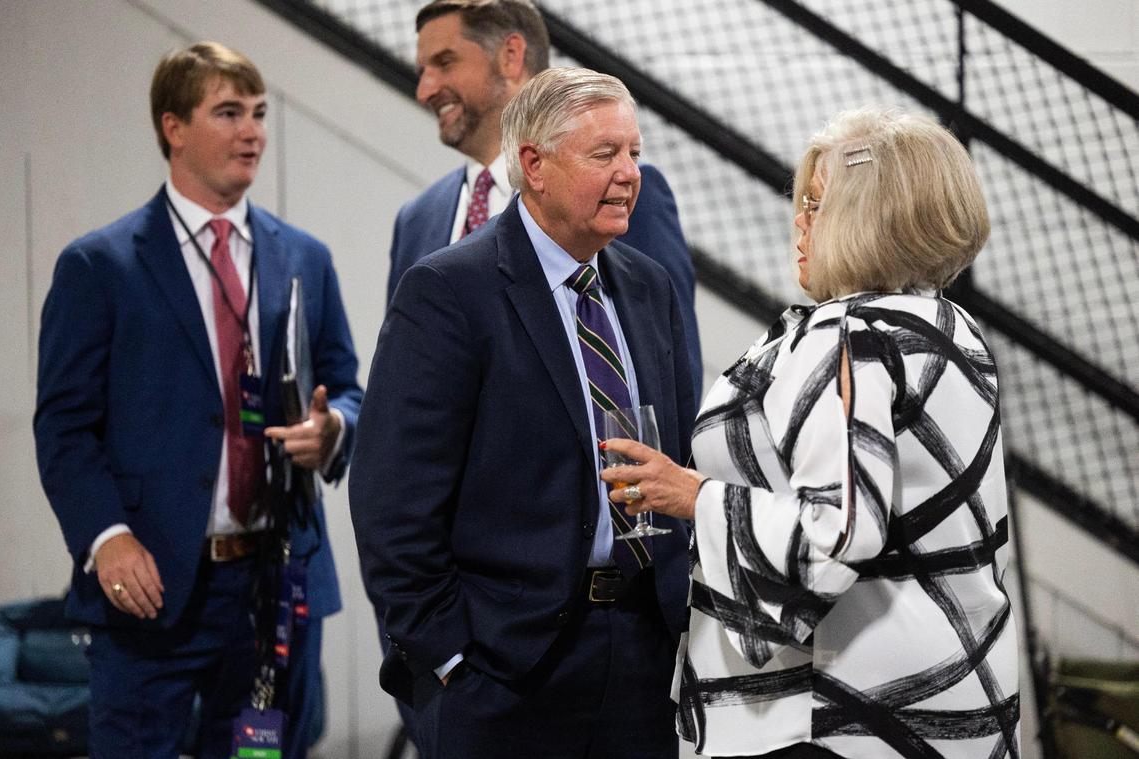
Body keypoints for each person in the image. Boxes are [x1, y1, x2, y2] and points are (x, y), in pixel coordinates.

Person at [601, 107, 1020, 758]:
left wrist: (691, 495)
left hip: (834, 715)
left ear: (873, 217)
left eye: (819, 205)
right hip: (956, 694)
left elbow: (839, 533)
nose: (799, 223)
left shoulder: (848, 335)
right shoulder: (951, 329)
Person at [350, 67, 696, 758]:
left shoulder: (648, 288)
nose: (630, 173)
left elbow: (680, 451)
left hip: (641, 659)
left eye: (634, 151)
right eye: (606, 154)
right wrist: (451, 659)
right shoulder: (449, 291)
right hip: (504, 672)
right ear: (533, 165)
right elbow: (392, 501)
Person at [33, 42, 362, 759]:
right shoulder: (101, 264)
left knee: (259, 753)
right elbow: (64, 426)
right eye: (229, 112)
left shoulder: (304, 256)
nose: (253, 132)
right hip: (151, 588)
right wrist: (106, 537)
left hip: (274, 588)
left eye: (260, 114)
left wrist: (332, 429)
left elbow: (350, 387)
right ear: (173, 127)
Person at [391, 0, 703, 397]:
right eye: (422, 72)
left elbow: (670, 372)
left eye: (445, 62)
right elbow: (404, 380)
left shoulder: (619, 193)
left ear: (510, 56)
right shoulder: (418, 218)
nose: (425, 90)